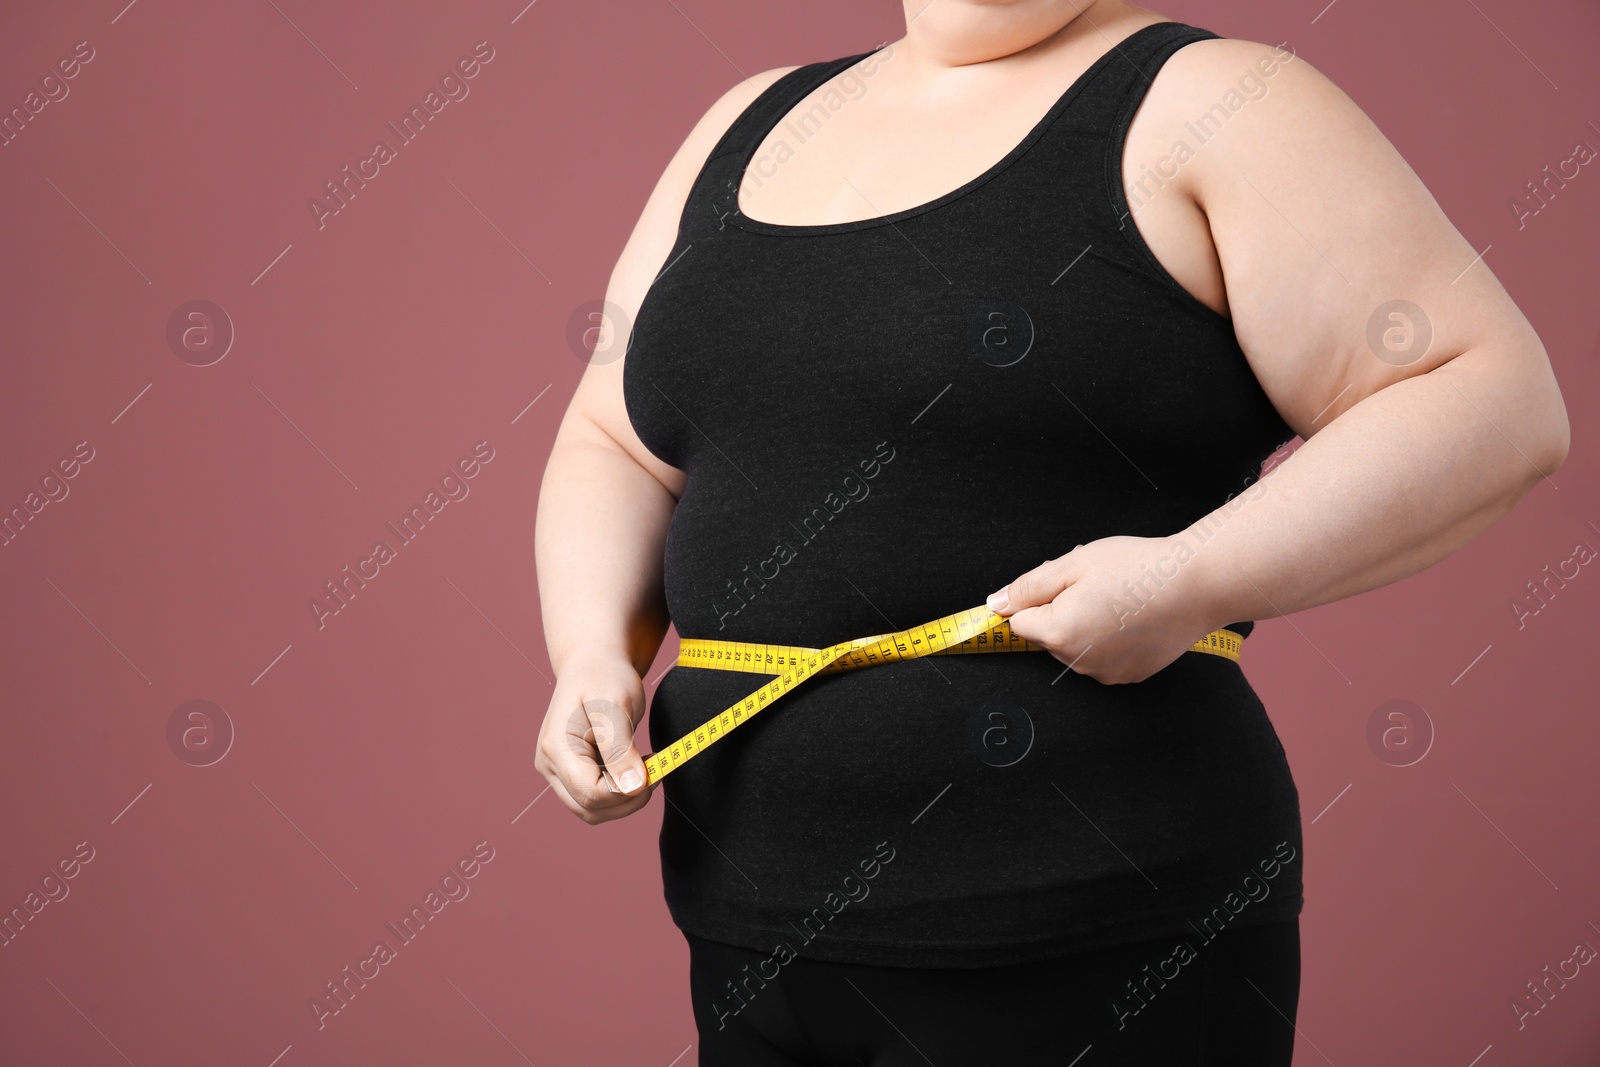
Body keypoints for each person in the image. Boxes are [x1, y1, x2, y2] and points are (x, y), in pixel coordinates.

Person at [534, 1, 1571, 1062]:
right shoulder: (747, 122)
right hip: (745, 920)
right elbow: (616, 439)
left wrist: (1189, 575)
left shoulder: (1216, 103)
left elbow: (1490, 399)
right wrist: (590, 651)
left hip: (1097, 929)